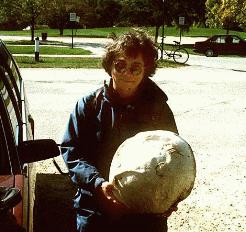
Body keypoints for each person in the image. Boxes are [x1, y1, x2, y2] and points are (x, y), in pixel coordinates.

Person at [61, 29, 179, 232]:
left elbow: (173, 155)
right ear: (110, 66)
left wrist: (170, 195)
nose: (126, 73)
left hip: (146, 214)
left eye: (135, 68)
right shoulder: (89, 105)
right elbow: (72, 151)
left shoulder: (158, 107)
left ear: (146, 70)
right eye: (120, 65)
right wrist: (98, 183)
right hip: (96, 209)